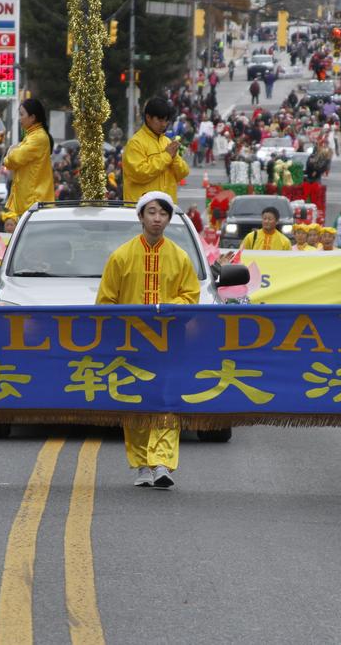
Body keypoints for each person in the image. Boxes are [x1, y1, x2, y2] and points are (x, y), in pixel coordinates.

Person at [96, 191, 199, 489]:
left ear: (169, 219)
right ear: (140, 217)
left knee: (166, 400)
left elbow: (191, 296)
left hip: (169, 343)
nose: (157, 219)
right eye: (151, 212)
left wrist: (169, 310)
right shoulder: (121, 256)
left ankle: (163, 462)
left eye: (163, 213)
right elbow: (106, 302)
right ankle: (142, 464)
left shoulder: (179, 257)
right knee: (138, 401)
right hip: (131, 344)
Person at [122, 97, 189, 204]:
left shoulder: (167, 141)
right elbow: (140, 174)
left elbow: (183, 173)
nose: (164, 124)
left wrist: (174, 157)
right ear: (148, 117)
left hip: (165, 210)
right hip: (141, 211)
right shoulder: (135, 143)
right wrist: (167, 156)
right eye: (160, 120)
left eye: (166, 120)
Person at [4, 98, 55, 218]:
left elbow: (15, 158)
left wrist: (10, 152)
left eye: (22, 114)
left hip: (34, 202)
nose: (20, 118)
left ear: (32, 117)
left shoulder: (38, 138)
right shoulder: (31, 136)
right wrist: (10, 155)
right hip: (28, 202)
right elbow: (10, 164)